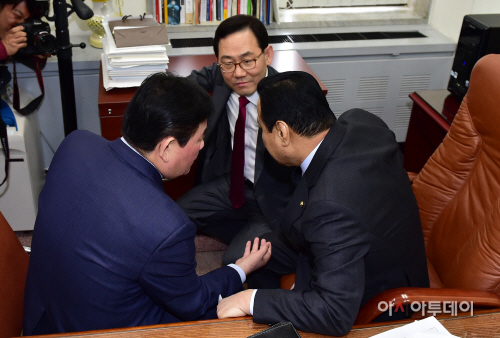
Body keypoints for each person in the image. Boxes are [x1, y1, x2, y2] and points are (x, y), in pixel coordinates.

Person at [22, 72, 272, 335]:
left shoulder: (76, 143)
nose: (201, 146)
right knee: (227, 314)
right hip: (106, 331)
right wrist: (239, 269)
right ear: (166, 148)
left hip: (43, 318)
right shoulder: (167, 227)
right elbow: (192, 303)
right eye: (199, 138)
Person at [217, 71, 430, 336]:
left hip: (379, 294)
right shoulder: (362, 122)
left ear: (282, 131)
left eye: (262, 128)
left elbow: (334, 313)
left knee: (255, 291)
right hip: (350, 240)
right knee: (257, 255)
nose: (262, 136)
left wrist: (250, 300)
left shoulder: (331, 205)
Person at [177, 15, 296, 287]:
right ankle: (245, 230)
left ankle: (258, 236)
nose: (239, 73)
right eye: (228, 63)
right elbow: (181, 87)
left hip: (273, 199)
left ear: (267, 54)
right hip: (233, 183)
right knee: (176, 215)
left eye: (248, 61)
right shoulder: (221, 75)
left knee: (235, 260)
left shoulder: (289, 97)